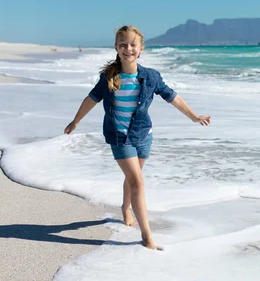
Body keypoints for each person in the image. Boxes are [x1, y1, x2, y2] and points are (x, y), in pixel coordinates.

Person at [64, 25, 211, 250]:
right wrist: (76, 121)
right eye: (123, 44)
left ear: (141, 49)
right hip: (119, 137)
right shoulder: (109, 77)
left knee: (134, 178)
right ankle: (146, 235)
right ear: (116, 48)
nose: (128, 49)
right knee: (137, 182)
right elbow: (91, 99)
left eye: (133, 45)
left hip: (143, 135)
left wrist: (193, 116)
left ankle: (125, 207)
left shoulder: (151, 76)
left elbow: (173, 98)